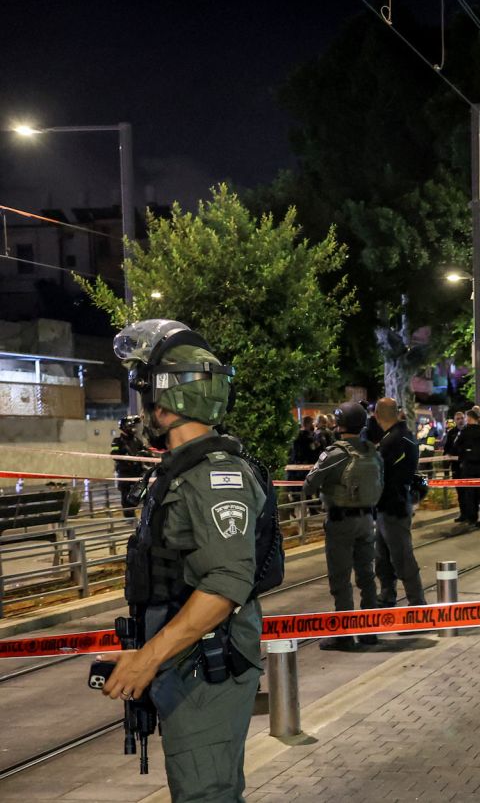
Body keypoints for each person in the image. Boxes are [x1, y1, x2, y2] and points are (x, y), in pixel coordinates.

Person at [104, 319, 266, 802]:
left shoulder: (216, 477)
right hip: (187, 660)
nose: (143, 411)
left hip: (206, 666)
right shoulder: (181, 471)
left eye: (146, 395)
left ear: (170, 397)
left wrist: (147, 659)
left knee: (205, 795)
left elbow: (225, 583)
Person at [304, 401, 384, 649]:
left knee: (340, 580)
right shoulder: (372, 451)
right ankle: (370, 631)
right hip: (367, 520)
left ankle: (345, 635)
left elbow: (309, 484)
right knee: (367, 577)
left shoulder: (335, 453)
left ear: (339, 424)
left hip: (341, 522)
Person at [369, 398, 424, 609]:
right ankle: (387, 594)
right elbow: (416, 474)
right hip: (395, 504)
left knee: (402, 557)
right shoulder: (407, 437)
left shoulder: (391, 442)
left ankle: (417, 603)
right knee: (382, 557)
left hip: (392, 506)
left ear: (376, 415)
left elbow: (380, 475)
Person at [110, 415, 147, 518]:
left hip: (138, 473)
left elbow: (145, 451)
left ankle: (143, 516)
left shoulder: (137, 441)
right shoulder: (118, 441)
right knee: (126, 499)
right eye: (131, 426)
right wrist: (127, 458)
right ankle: (130, 519)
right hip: (125, 474)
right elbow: (114, 454)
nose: (133, 429)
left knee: (143, 495)